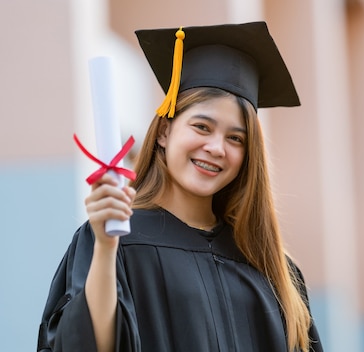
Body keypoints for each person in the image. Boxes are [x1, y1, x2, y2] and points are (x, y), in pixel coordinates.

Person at [37, 21, 323, 352]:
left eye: (235, 138)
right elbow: (86, 346)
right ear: (163, 132)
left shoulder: (274, 268)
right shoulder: (117, 239)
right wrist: (104, 250)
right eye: (202, 126)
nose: (217, 148)